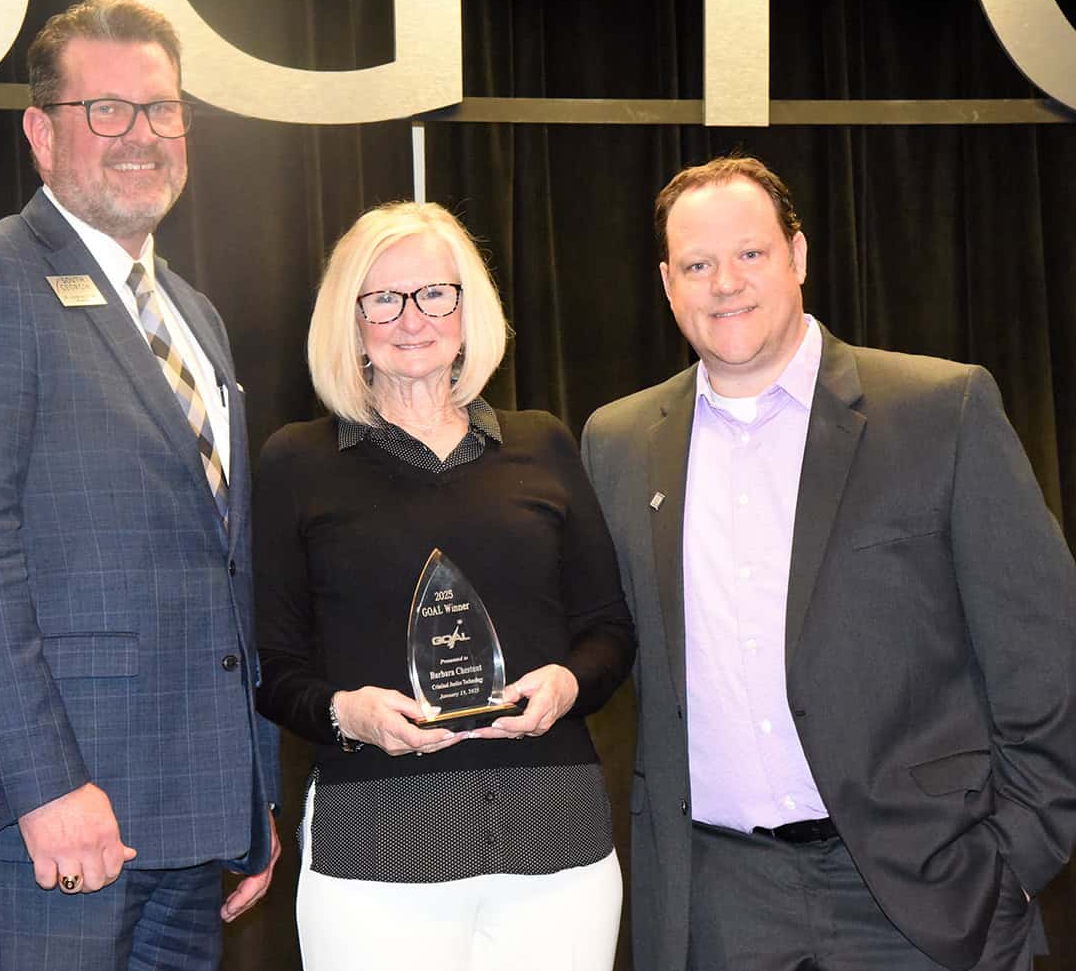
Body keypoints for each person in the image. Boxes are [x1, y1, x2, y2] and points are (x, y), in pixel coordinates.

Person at [580, 155, 1076, 971]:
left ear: (798, 257)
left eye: (751, 254)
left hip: (923, 891)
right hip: (719, 898)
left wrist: (1016, 858)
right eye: (698, 265)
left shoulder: (939, 410)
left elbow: (1044, 655)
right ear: (668, 284)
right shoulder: (619, 442)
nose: (725, 283)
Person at [0, 0, 280, 971]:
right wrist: (43, 788)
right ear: (40, 132)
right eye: (106, 110)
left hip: (193, 824)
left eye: (161, 109)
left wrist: (252, 795)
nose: (141, 135)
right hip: (53, 826)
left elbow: (229, 577)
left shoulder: (196, 315)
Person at [253, 200, 635, 971]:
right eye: (383, 299)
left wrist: (566, 682)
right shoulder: (298, 462)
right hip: (377, 851)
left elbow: (609, 630)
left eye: (434, 292)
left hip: (556, 849)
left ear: (468, 307)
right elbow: (271, 662)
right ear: (350, 321)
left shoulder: (543, 443)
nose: (412, 318)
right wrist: (346, 713)